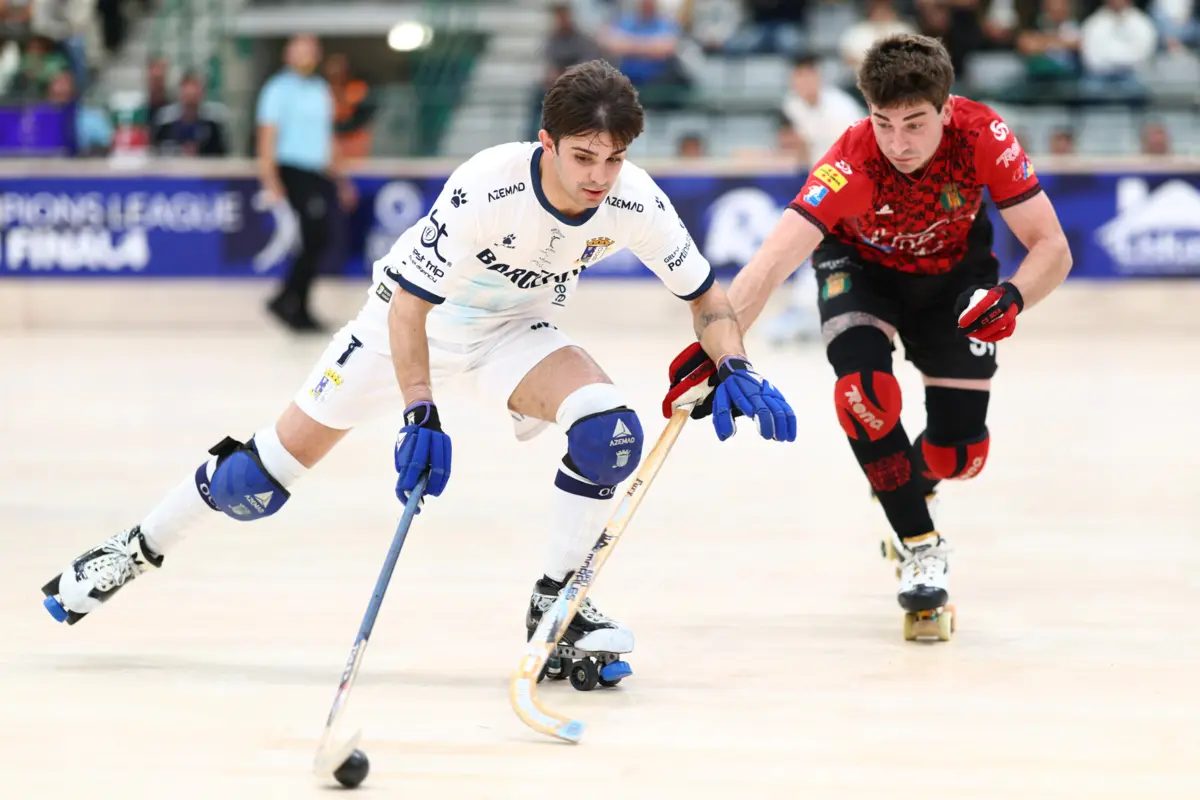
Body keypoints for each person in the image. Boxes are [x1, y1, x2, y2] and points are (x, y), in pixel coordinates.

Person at [41, 60, 796, 684]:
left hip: (512, 332)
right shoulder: (487, 187)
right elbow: (408, 312)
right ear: (547, 144)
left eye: (614, 159)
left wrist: (734, 363)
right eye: (583, 157)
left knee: (611, 433)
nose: (600, 177)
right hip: (405, 324)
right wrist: (420, 411)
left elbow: (706, 297)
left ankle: (558, 603)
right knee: (257, 483)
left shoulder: (634, 200)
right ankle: (133, 547)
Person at [663, 34, 1072, 638]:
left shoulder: (984, 136)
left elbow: (1052, 248)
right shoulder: (852, 161)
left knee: (958, 457)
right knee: (864, 396)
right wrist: (717, 352)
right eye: (884, 123)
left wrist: (1012, 298)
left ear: (947, 109)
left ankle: (906, 487)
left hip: (955, 281)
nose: (899, 144)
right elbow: (769, 264)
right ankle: (918, 545)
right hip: (861, 274)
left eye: (914, 124)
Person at [256, 33, 357, 333]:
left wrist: (341, 180)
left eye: (312, 50)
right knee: (314, 232)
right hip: (293, 169)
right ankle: (288, 300)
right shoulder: (277, 89)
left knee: (319, 238)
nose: (307, 55)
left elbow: (328, 138)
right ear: (288, 54)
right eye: (301, 50)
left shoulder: (320, 89)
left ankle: (295, 303)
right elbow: (267, 136)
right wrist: (269, 178)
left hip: (319, 172)